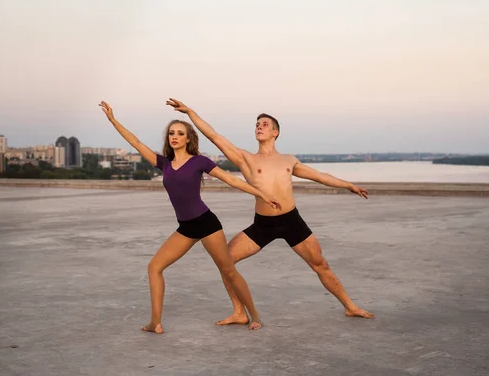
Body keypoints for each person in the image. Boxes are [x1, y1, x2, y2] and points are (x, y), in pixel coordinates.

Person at [166, 98, 375, 326]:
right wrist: (190, 113)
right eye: (257, 123)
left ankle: (350, 306)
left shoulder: (288, 160)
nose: (259, 126)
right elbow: (214, 136)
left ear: (275, 132)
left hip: (292, 221)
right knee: (226, 261)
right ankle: (239, 312)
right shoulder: (246, 158)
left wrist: (349, 185)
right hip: (262, 225)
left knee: (320, 264)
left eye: (264, 124)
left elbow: (320, 176)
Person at [99, 101, 281, 333]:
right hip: (185, 227)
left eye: (180, 133)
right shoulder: (163, 164)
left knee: (228, 270)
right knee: (154, 267)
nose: (175, 137)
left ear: (188, 139)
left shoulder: (199, 162)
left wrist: (262, 194)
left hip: (206, 224)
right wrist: (113, 120)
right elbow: (135, 142)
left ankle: (253, 315)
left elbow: (231, 179)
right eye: (172, 133)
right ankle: (155, 322)